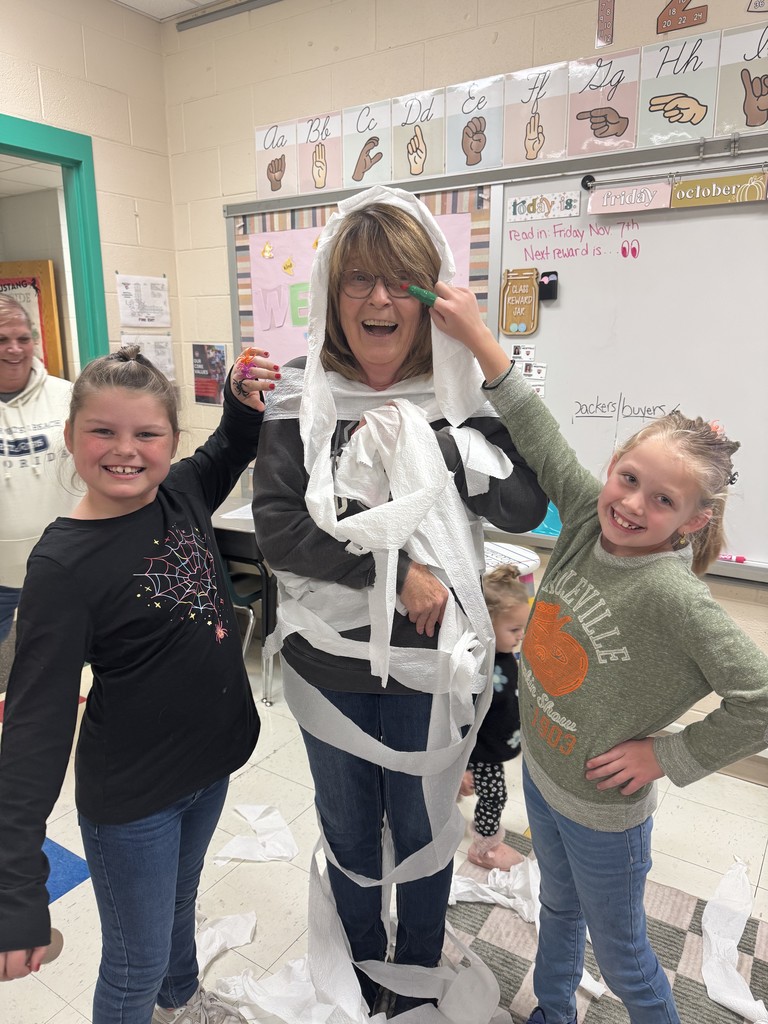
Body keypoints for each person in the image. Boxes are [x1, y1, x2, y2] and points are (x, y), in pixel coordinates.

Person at [430, 284, 768, 1024]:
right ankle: (554, 1012)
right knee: (556, 908)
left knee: (622, 956)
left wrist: (667, 757)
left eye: (662, 502)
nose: (633, 506)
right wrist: (480, 337)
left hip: (603, 814)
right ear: (613, 465)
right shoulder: (587, 518)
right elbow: (537, 427)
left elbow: (763, 697)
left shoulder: (671, 597)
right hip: (546, 779)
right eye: (630, 480)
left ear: (693, 521)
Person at [252, 185, 547, 1021]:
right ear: (331, 292)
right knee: (349, 838)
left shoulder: (457, 399)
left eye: (400, 283)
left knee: (423, 838)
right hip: (327, 672)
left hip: (428, 672)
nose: (378, 300)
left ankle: (412, 977)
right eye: (358, 281)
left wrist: (446, 444)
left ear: (427, 297)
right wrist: (398, 572)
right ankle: (364, 972)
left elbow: (524, 508)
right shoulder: (297, 401)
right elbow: (279, 531)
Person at [0, 344, 281, 1024]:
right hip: (134, 800)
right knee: (134, 963)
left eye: (146, 433)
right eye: (103, 431)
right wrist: (16, 890)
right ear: (70, 438)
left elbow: (234, 444)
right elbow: (35, 729)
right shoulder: (62, 565)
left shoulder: (181, 491)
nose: (125, 450)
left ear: (170, 440)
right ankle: (159, 991)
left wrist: (244, 398)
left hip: (207, 770)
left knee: (180, 906)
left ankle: (181, 1001)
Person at [0, 295, 76, 645]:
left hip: (64, 566)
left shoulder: (68, 397)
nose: (14, 349)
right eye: (2, 339)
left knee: (62, 658)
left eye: (23, 338)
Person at [460, 563, 529, 870]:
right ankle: (484, 848)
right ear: (487, 624)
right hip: (480, 753)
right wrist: (460, 766)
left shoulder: (502, 654)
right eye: (514, 630)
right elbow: (458, 720)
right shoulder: (476, 668)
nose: (520, 636)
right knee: (495, 797)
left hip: (491, 748)